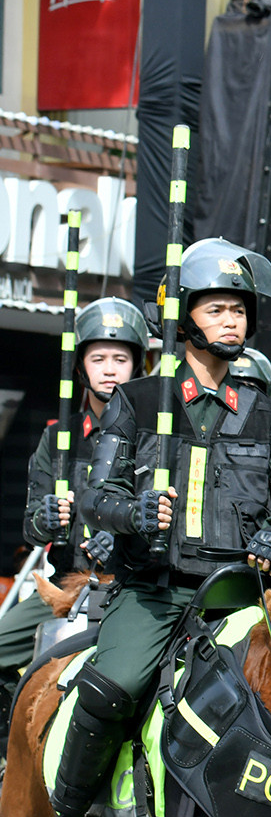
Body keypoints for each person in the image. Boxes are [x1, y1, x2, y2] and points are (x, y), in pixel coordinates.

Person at [54, 240, 271, 817]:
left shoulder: (270, 413)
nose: (231, 321)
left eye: (239, 310)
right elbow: (96, 494)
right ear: (186, 319)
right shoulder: (140, 400)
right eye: (217, 309)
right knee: (111, 686)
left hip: (237, 593)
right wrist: (135, 513)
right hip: (154, 591)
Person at [0, 298, 148, 728]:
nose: (109, 368)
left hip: (128, 584)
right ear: (81, 366)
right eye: (98, 357)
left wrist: (124, 538)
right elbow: (30, 527)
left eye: (120, 358)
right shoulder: (58, 437)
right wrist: (45, 521)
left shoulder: (153, 434)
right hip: (64, 586)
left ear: (136, 366)